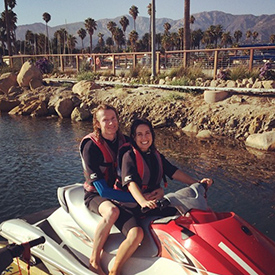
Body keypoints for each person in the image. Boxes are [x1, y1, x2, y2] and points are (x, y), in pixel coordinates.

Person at [115, 117, 213, 230]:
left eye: (147, 133)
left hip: (152, 205)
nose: (144, 138)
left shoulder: (155, 155)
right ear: (133, 137)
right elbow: (130, 183)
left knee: (186, 215)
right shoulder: (129, 156)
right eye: (139, 134)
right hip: (129, 207)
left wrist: (197, 183)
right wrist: (143, 201)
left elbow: (173, 171)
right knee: (136, 235)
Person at [80, 104, 144, 275]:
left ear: (118, 119)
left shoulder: (126, 142)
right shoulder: (90, 147)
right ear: (97, 123)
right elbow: (103, 191)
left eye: (113, 118)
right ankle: (94, 261)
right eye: (105, 120)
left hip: (121, 193)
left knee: (141, 225)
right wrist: (139, 199)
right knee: (112, 212)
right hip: (96, 195)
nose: (110, 123)